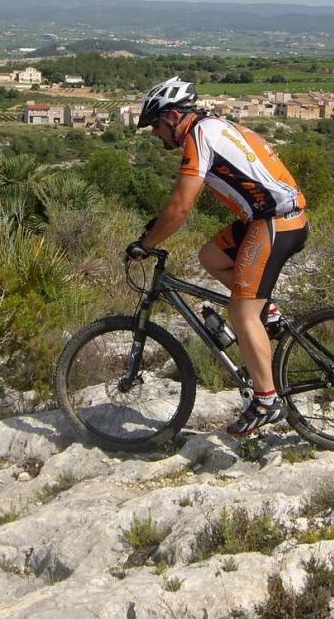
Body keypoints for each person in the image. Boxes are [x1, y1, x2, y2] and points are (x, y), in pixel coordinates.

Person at [126, 76, 309, 437]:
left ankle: (266, 399)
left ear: (175, 117)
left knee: (241, 313)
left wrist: (146, 243)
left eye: (156, 125)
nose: (153, 133)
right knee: (210, 256)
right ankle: (267, 314)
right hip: (269, 217)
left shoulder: (199, 137)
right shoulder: (214, 127)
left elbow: (180, 207)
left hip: (274, 221)